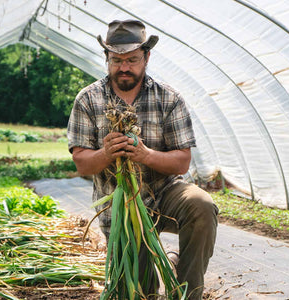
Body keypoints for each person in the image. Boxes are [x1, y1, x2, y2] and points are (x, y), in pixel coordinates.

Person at [67, 19, 218, 300]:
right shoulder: (88, 100)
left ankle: (188, 292)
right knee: (140, 292)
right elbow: (82, 163)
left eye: (132, 59)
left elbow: (182, 162)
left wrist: (146, 155)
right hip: (119, 205)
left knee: (202, 205)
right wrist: (106, 153)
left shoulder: (168, 98)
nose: (124, 67)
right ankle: (157, 274)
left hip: (165, 193)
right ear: (107, 58)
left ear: (146, 57)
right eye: (117, 60)